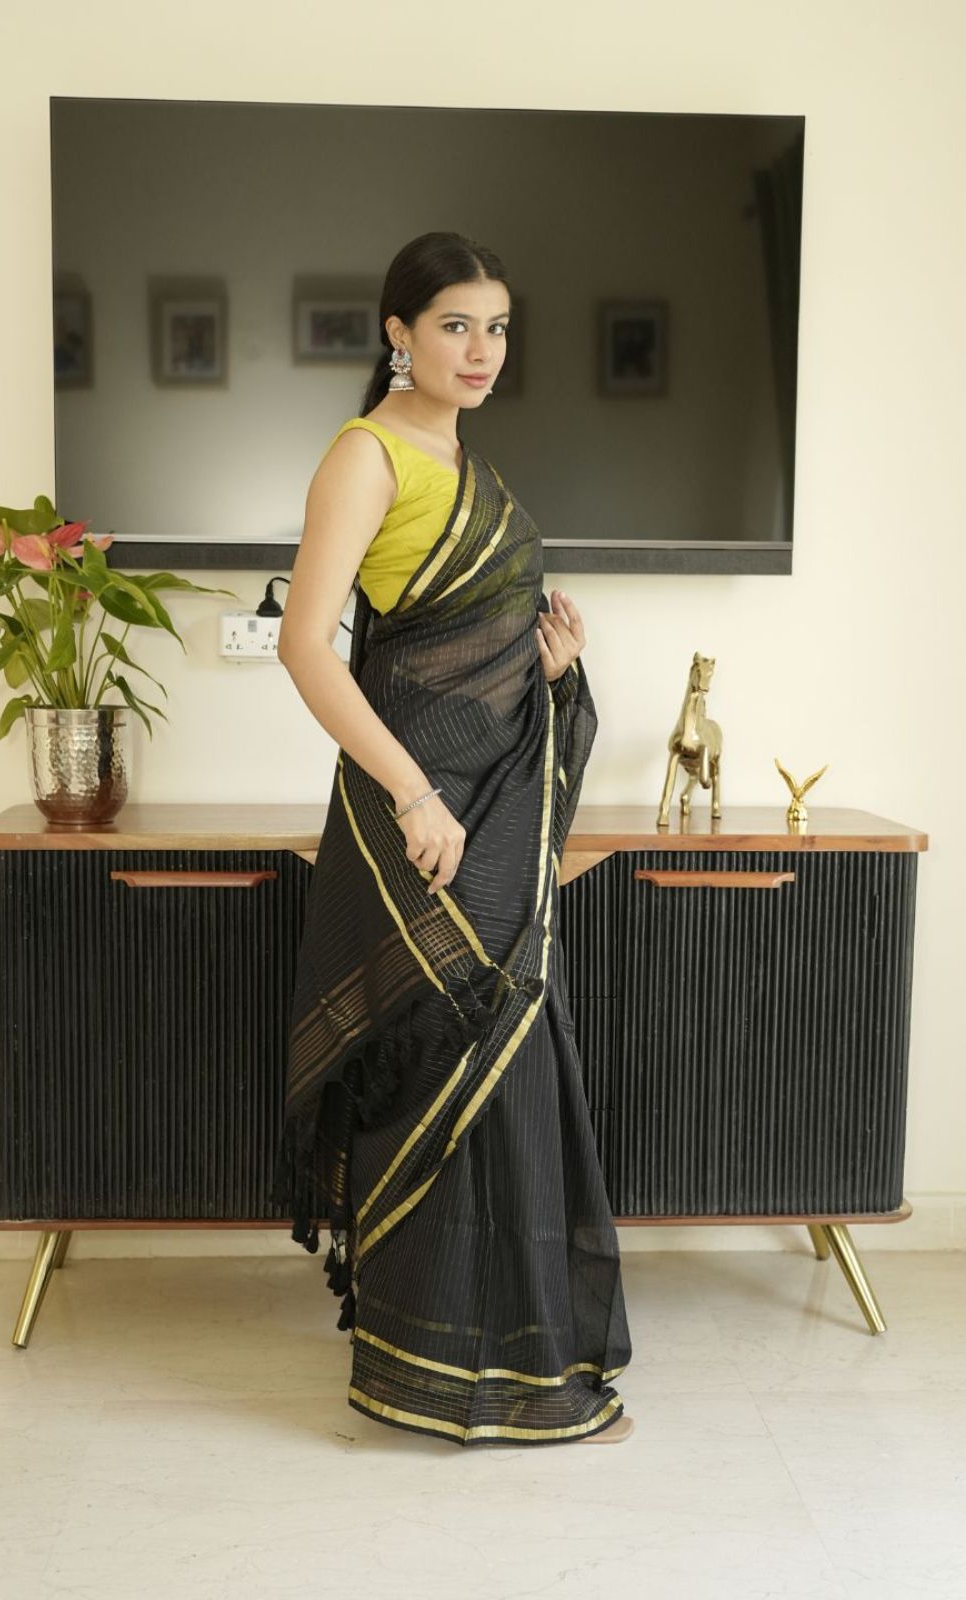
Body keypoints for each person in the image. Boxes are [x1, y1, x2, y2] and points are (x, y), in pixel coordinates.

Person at [271, 231, 633, 1446]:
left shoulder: (460, 458)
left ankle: (514, 1356)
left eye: (497, 329)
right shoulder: (365, 455)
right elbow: (308, 646)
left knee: (507, 1061)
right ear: (399, 333)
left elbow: (459, 642)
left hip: (494, 808)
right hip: (420, 817)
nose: (481, 351)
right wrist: (415, 795)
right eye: (455, 326)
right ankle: (421, 1365)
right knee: (444, 1065)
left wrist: (548, 670)